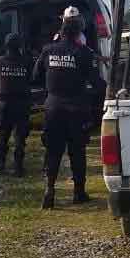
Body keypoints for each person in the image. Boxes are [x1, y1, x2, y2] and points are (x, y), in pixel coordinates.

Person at [33, 14, 95, 209]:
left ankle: (49, 190)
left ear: (61, 31)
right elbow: (94, 81)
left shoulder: (48, 50)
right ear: (78, 33)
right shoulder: (84, 52)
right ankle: (79, 192)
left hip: (53, 109)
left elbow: (35, 76)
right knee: (77, 151)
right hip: (77, 109)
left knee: (53, 151)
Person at [0, 32, 32, 176]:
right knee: (20, 136)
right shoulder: (27, 61)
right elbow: (30, 78)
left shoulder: (0, 61)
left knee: (3, 134)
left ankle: (0, 164)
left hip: (3, 103)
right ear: (20, 46)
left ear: (5, 45)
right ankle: (18, 167)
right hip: (21, 103)